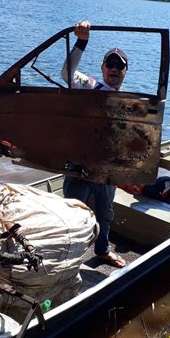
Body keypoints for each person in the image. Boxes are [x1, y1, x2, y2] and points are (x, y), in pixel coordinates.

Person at [60, 20, 128, 267]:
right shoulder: (90, 86)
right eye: (110, 64)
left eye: (119, 66)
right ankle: (68, 258)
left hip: (107, 168)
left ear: (125, 72)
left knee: (105, 213)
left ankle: (102, 250)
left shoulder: (128, 102)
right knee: (74, 213)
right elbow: (65, 74)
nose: (114, 69)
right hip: (80, 164)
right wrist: (81, 42)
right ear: (102, 68)